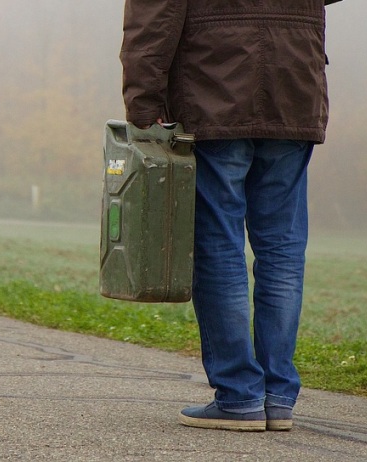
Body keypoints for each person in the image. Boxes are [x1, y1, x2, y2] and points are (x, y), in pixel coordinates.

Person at [120, 0, 339, 432]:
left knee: (219, 244)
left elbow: (152, 16)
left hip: (215, 83)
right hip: (295, 80)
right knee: (282, 248)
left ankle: (239, 396)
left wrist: (143, 100)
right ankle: (277, 397)